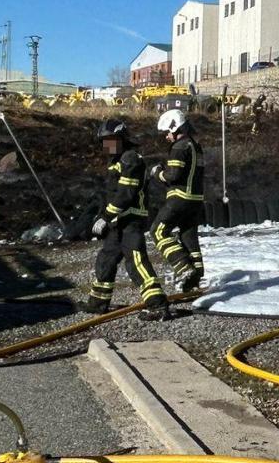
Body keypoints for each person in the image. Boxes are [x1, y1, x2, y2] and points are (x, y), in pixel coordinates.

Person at [86, 119, 168, 319]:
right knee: (106, 259)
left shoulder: (131, 159)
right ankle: (98, 303)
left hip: (131, 219)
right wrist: (101, 215)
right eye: (104, 141)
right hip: (118, 220)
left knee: (136, 262)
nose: (107, 145)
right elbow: (112, 194)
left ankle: (158, 305)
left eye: (110, 140)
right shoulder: (116, 161)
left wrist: (106, 216)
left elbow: (126, 193)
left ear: (121, 139)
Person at [152, 108, 206, 293]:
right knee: (188, 236)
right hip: (196, 200)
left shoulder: (179, 147)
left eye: (167, 132)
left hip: (179, 199)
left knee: (158, 232)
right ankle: (195, 278)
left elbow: (173, 175)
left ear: (175, 129)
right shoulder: (196, 146)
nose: (166, 137)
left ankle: (183, 267)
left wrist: (157, 173)